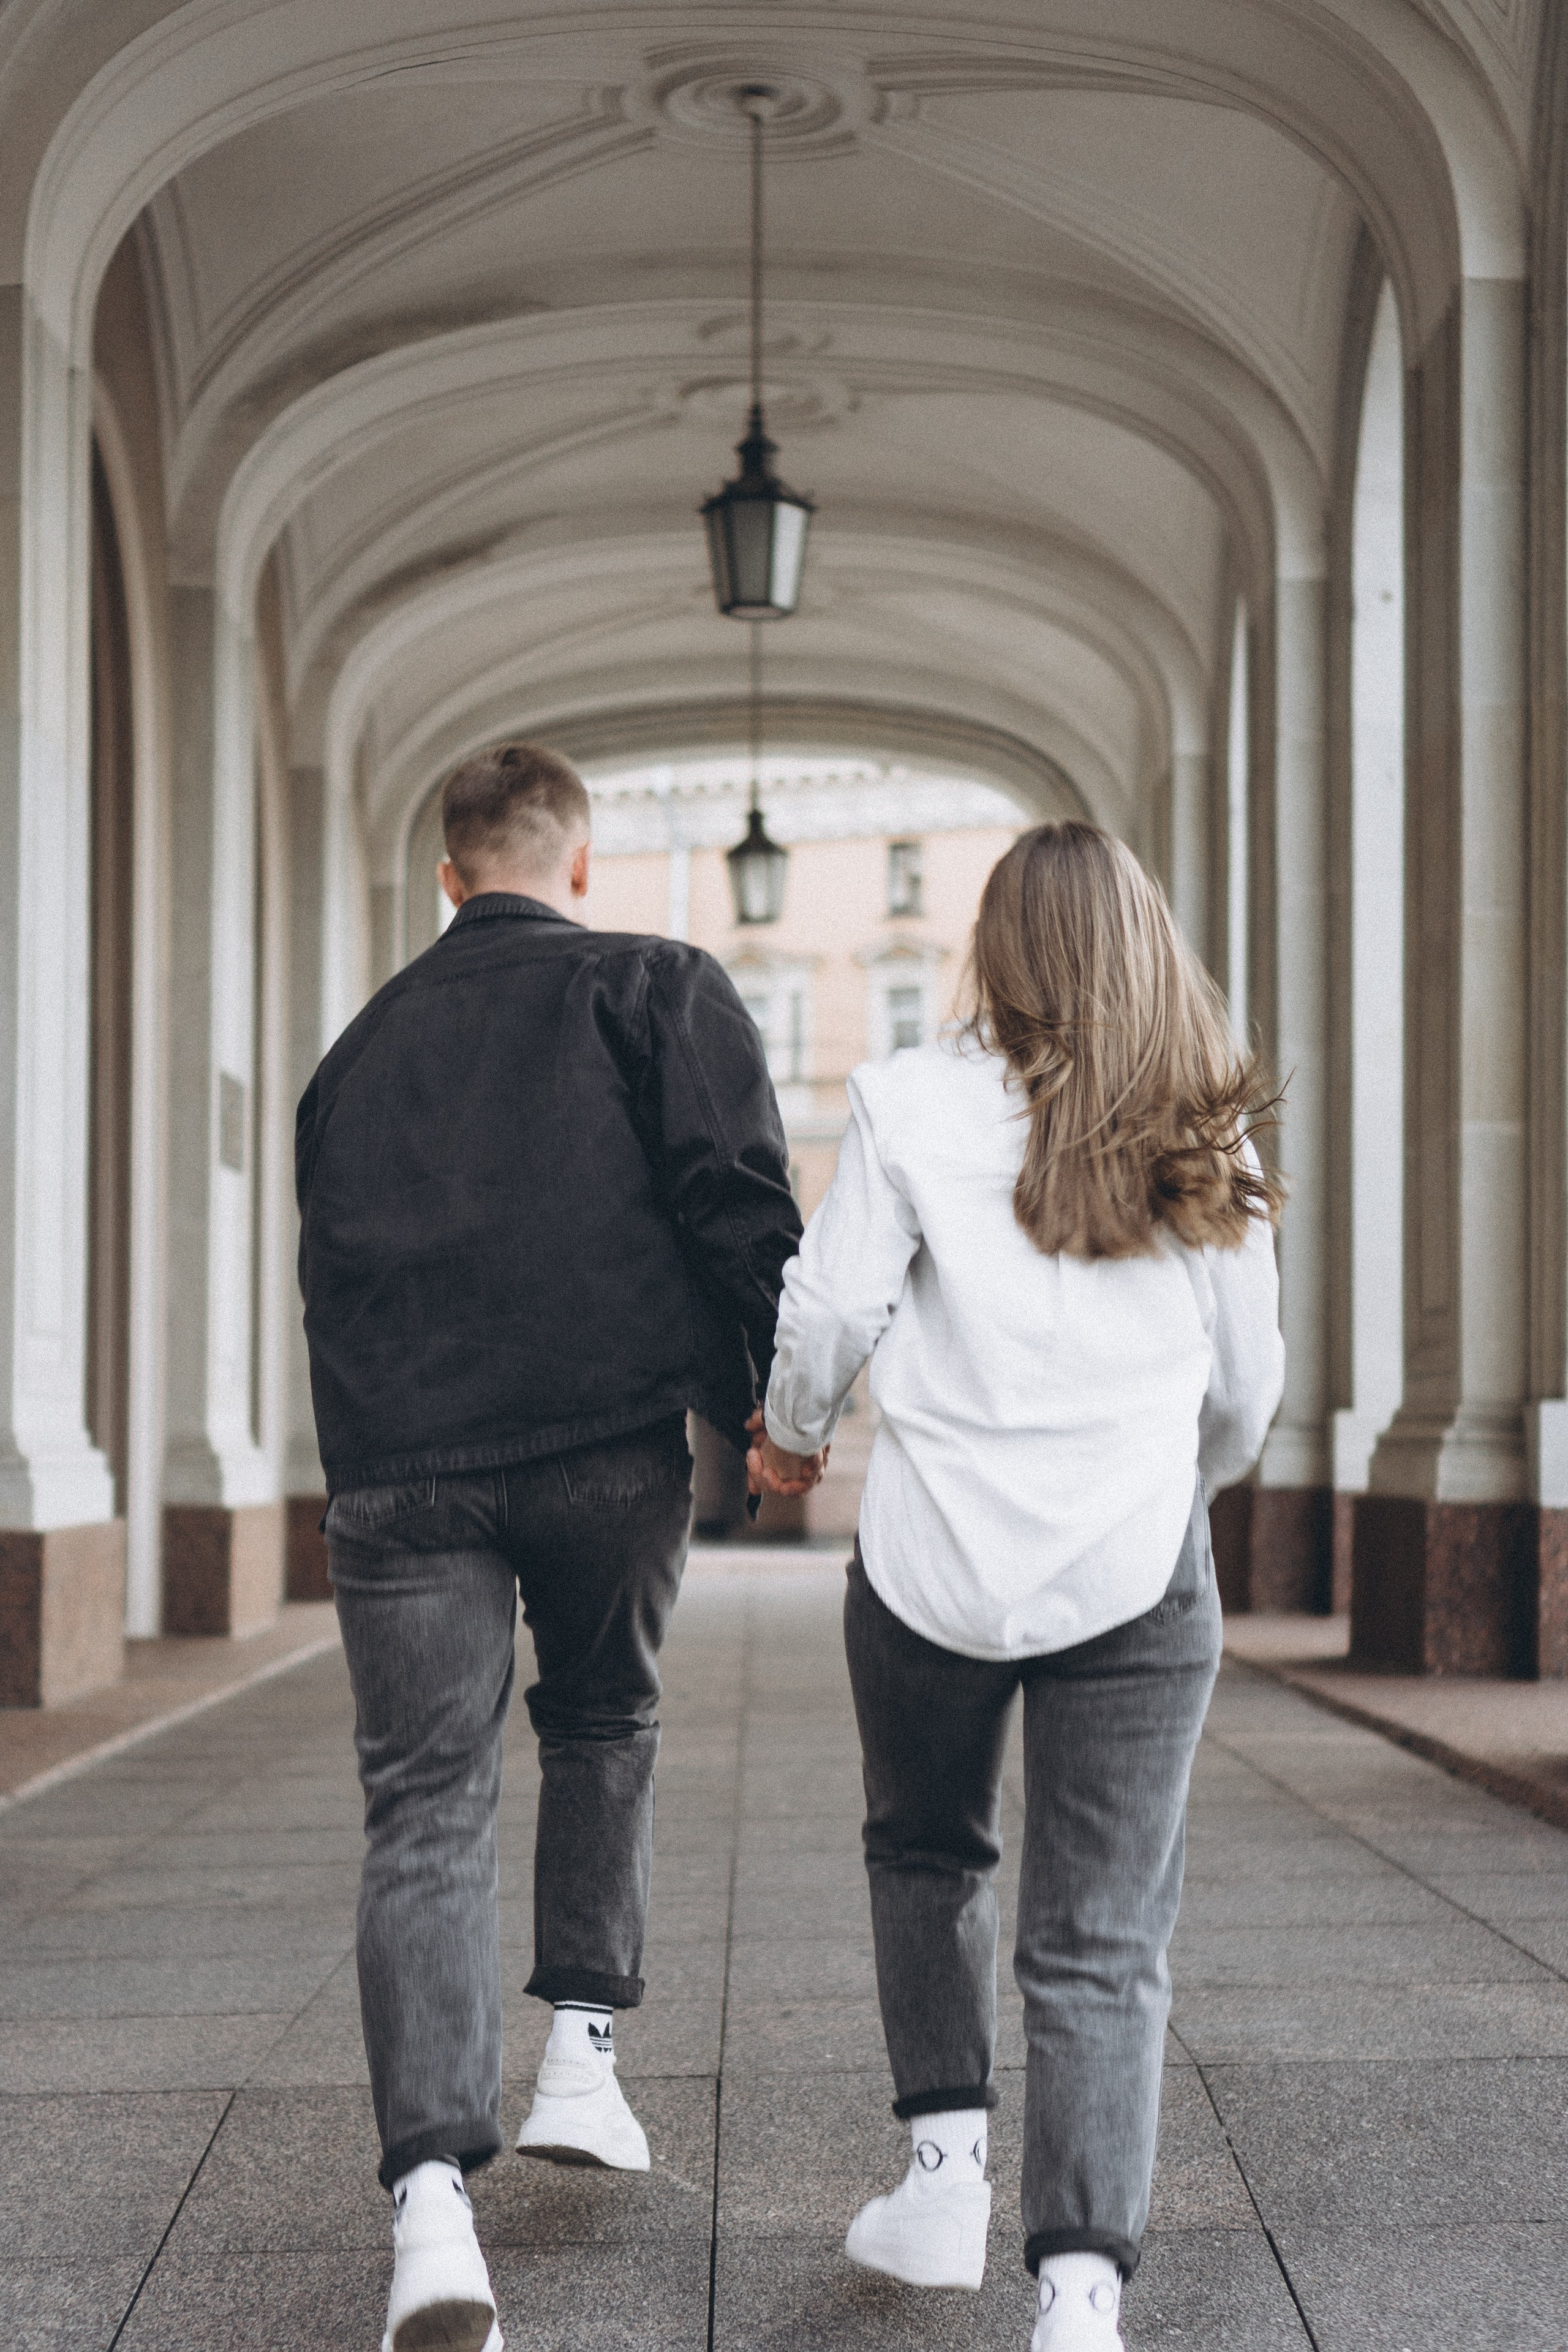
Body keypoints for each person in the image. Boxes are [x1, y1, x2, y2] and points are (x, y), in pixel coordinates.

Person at [750, 821, 1285, 2352]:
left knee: (926, 1852)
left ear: (991, 951)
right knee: (1101, 1933)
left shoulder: (908, 1099)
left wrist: (791, 1436)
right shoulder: (1202, 1121)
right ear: (1142, 944)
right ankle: (1077, 2297)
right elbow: (1245, 1387)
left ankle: (939, 2183)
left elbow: (831, 1310)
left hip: (928, 1564)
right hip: (1133, 1567)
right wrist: (1171, 1491)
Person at [296, 741, 802, 2352]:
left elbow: (327, 1267)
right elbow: (738, 1197)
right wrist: (773, 1404)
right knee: (601, 1721)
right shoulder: (652, 982)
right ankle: (581, 2060)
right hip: (600, 1440)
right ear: (577, 865)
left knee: (421, 1804)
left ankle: (429, 2209)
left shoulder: (357, 1049)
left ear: (449, 879)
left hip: (403, 1468)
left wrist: (362, 1462)